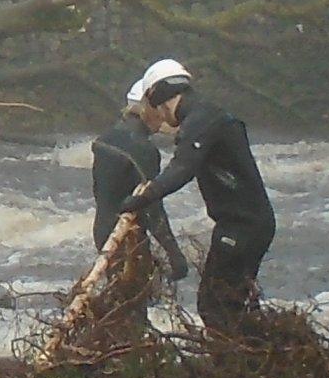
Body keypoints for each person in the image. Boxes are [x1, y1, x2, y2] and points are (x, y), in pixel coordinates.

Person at [118, 59, 275, 330]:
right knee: (235, 302)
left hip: (242, 226)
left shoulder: (201, 121)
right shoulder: (208, 115)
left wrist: (144, 197)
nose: (160, 117)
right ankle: (255, 355)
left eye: (154, 107)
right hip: (249, 223)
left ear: (161, 98)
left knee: (214, 305)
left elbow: (181, 169)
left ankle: (239, 363)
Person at [91, 79, 190, 281]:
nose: (164, 117)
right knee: (134, 307)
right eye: (160, 110)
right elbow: (151, 207)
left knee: (118, 301)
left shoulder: (105, 139)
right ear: (148, 110)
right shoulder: (144, 150)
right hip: (126, 237)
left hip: (102, 230)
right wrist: (174, 254)